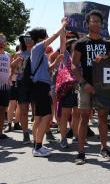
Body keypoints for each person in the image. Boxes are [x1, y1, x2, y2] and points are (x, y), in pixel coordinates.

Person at [72, 10, 110, 164]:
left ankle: (104, 148)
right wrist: (83, 83)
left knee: (103, 117)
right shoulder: (81, 43)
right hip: (86, 86)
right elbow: (74, 66)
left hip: (103, 87)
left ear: (101, 24)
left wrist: (106, 56)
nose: (96, 23)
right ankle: (81, 152)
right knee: (84, 118)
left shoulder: (107, 44)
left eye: (98, 21)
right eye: (93, 21)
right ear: (87, 23)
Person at [29, 22, 66, 157]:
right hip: (40, 86)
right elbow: (56, 36)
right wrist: (62, 26)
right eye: (46, 35)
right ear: (42, 37)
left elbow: (47, 70)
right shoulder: (38, 47)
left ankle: (37, 145)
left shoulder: (41, 54)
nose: (49, 36)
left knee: (38, 117)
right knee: (47, 116)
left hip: (41, 86)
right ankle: (38, 147)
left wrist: (55, 63)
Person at [10, 33, 34, 144]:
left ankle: (42, 133)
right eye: (26, 39)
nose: (28, 41)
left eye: (30, 38)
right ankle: (25, 134)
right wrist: (17, 61)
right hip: (22, 83)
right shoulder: (19, 53)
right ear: (23, 41)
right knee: (24, 111)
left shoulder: (37, 52)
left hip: (36, 83)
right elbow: (13, 66)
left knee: (38, 111)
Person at [0, 33, 11, 139]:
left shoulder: (8, 55)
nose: (1, 42)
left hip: (5, 87)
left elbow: (10, 69)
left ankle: (0, 132)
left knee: (3, 109)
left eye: (3, 40)